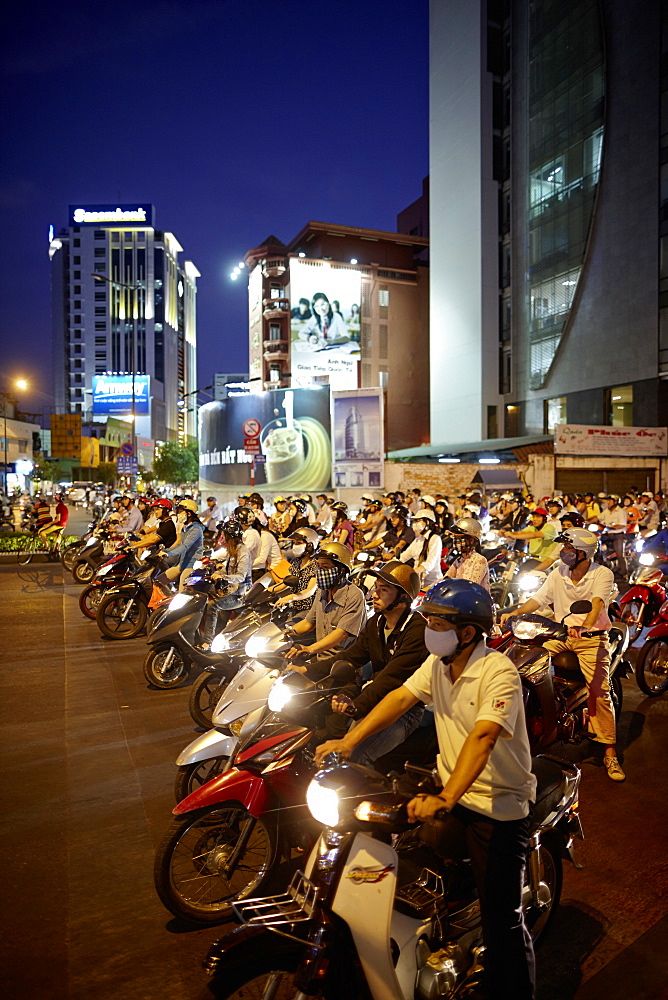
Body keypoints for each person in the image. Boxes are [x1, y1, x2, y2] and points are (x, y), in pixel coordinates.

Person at [316, 579, 537, 999]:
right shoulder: (438, 665)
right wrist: (350, 742)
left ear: (467, 632)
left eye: (436, 621)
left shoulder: (498, 671)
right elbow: (401, 698)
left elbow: (484, 737)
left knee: (503, 920)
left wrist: (447, 797)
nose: (429, 627)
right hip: (447, 785)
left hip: (498, 805)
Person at [501, 527, 625, 782]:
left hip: (591, 638)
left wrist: (586, 625)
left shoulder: (602, 573)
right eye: (564, 548)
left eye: (568, 548)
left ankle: (610, 750)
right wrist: (513, 613)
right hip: (561, 634)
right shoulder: (558, 572)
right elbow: (538, 600)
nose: (563, 552)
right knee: (523, 661)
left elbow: (597, 603)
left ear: (582, 552)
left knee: (599, 691)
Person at [313, 561, 428, 762]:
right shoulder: (376, 623)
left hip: (404, 711)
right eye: (376, 588)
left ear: (403, 597)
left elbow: (391, 678)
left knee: (356, 755)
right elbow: (350, 656)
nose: (375, 594)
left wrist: (356, 705)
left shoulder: (417, 630)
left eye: (384, 590)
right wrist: (306, 670)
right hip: (374, 699)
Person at [284, 541, 366, 663]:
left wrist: (309, 648)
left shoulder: (354, 595)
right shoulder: (322, 591)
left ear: (341, 570)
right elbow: (308, 623)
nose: (320, 571)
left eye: (325, 567)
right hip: (320, 657)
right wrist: (283, 634)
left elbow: (341, 634)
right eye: (318, 566)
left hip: (342, 663)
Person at [202, 518, 253, 641]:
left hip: (239, 596)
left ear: (229, 535)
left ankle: (207, 641)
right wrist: (216, 572)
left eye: (224, 534)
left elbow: (241, 576)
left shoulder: (242, 552)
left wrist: (223, 577)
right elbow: (228, 569)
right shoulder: (233, 550)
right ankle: (214, 638)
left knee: (212, 606)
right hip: (230, 591)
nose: (222, 536)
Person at [270, 526, 319, 612]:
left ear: (309, 546)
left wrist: (291, 597)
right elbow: (285, 583)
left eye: (299, 543)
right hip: (294, 607)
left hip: (308, 611)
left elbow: (310, 590)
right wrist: (265, 591)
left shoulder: (316, 565)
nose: (295, 546)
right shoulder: (296, 562)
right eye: (295, 543)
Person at [159, 498, 204, 591]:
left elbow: (185, 546)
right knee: (159, 581)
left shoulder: (196, 529)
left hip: (191, 566)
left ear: (189, 513)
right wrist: (165, 551)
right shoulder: (186, 527)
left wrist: (168, 554)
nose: (178, 514)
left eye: (180, 512)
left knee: (181, 593)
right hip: (182, 563)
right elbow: (180, 544)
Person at [400, 510, 443, 588]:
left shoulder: (435, 539)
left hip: (433, 585)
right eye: (415, 521)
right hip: (418, 583)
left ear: (427, 522)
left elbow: (429, 564)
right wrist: (389, 563)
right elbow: (405, 556)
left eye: (418, 520)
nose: (415, 524)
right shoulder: (418, 539)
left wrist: (412, 572)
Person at [445, 517, 491, 591]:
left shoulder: (480, 560)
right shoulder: (459, 560)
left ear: (472, 540)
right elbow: (446, 579)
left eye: (459, 538)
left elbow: (469, 587)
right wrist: (425, 590)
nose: (456, 541)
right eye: (455, 538)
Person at [598, 495, 628, 576]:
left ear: (615, 502)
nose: (608, 503)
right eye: (608, 501)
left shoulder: (621, 512)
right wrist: (587, 521)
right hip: (607, 534)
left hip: (618, 535)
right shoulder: (606, 511)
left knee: (620, 554)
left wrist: (610, 527)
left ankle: (623, 572)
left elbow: (622, 525)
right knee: (597, 547)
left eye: (610, 501)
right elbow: (598, 517)